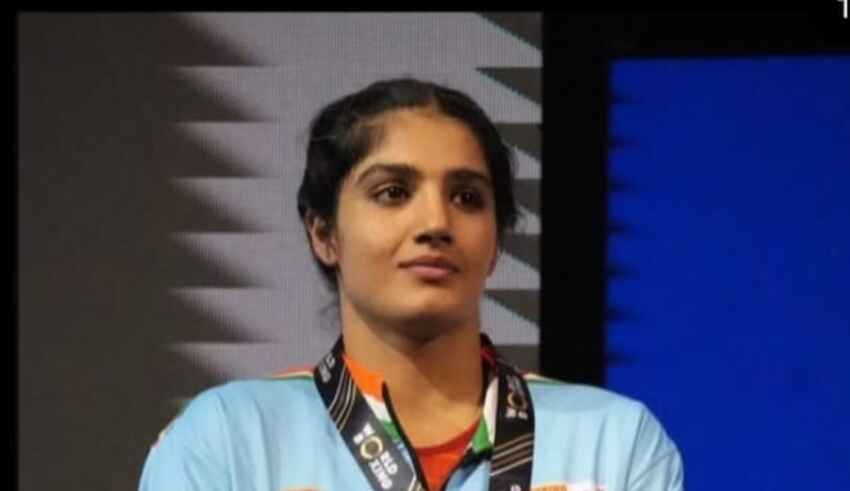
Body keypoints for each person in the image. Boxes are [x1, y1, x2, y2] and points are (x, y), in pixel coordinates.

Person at [138, 78, 684, 491]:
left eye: (467, 197)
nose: (436, 223)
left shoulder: (615, 443)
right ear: (324, 233)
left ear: (495, 243)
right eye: (393, 192)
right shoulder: (230, 438)